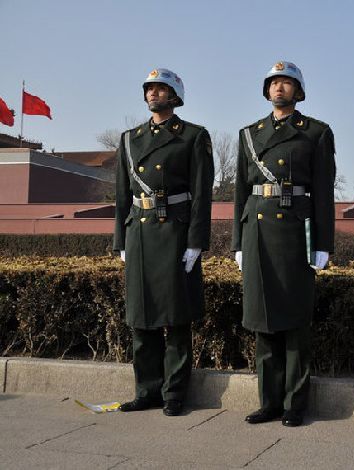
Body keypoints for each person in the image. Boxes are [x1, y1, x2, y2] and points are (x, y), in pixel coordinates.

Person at [232, 61, 336, 427]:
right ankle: (269, 402)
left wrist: (323, 243)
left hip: (295, 233)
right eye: (274, 82)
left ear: (298, 90)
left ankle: (295, 403)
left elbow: (323, 192)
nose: (279, 88)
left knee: (294, 321)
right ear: (267, 90)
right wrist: (237, 243)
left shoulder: (316, 133)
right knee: (262, 321)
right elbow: (241, 193)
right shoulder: (249, 134)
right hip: (257, 232)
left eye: (286, 83)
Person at [113, 68, 214, 416]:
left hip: (174, 231)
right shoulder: (129, 139)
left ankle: (174, 393)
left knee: (176, 317)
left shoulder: (192, 136)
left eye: (161, 89)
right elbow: (121, 195)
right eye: (150, 89)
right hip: (139, 232)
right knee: (141, 318)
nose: (154, 94)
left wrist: (196, 241)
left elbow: (201, 194)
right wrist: (121, 240)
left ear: (175, 96)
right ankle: (146, 391)